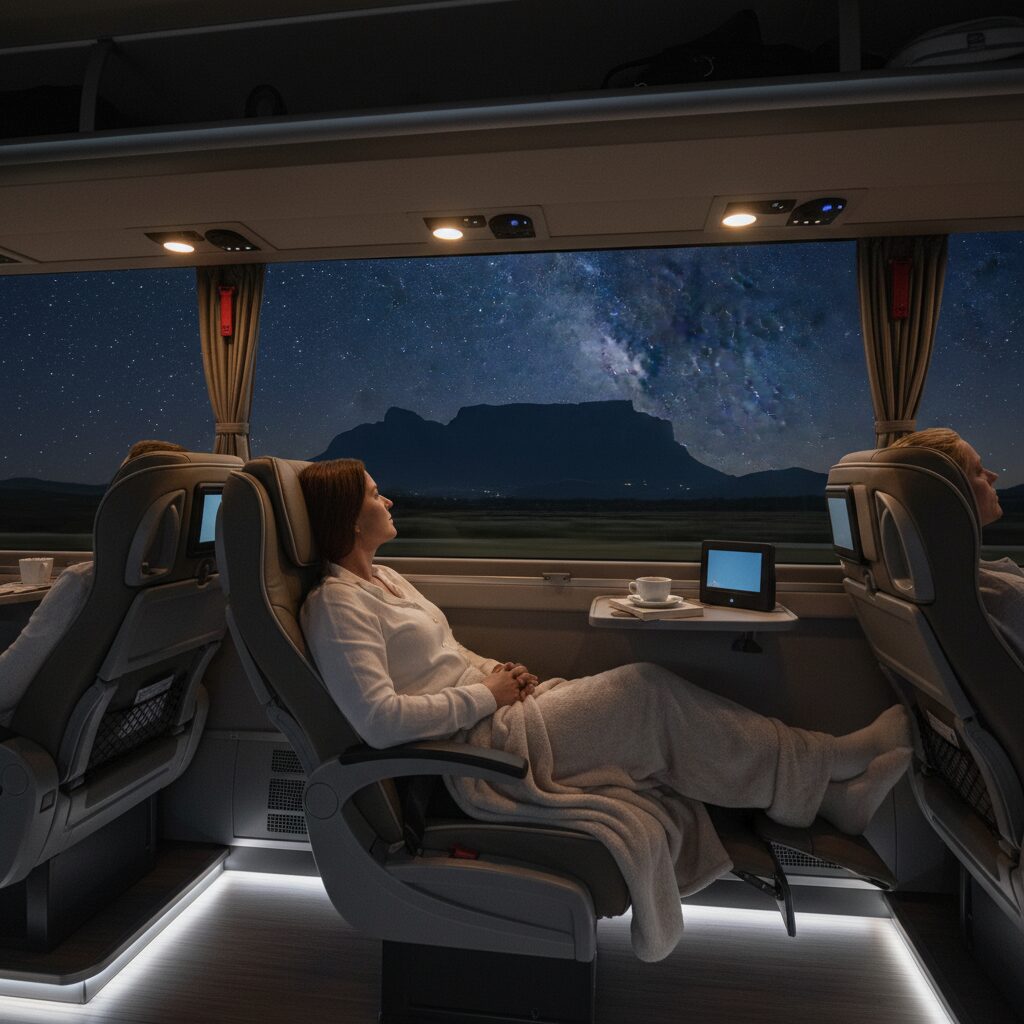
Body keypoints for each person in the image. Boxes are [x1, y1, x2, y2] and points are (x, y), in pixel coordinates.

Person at [298, 457, 913, 960]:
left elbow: (448, 652)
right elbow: (378, 721)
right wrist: (487, 696)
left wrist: (495, 671)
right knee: (645, 691)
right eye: (375, 494)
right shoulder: (337, 605)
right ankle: (828, 764)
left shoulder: (389, 579)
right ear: (349, 518)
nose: (388, 500)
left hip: (498, 713)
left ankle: (827, 793)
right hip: (477, 750)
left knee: (648, 699)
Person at [0, 440, 187, 726]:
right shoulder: (197, 587)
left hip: (37, 729)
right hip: (126, 729)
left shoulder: (82, 583)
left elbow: (5, 690)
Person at [888, 427, 1024, 662]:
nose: (993, 476)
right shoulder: (1008, 598)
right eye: (978, 470)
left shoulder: (924, 577)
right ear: (948, 493)